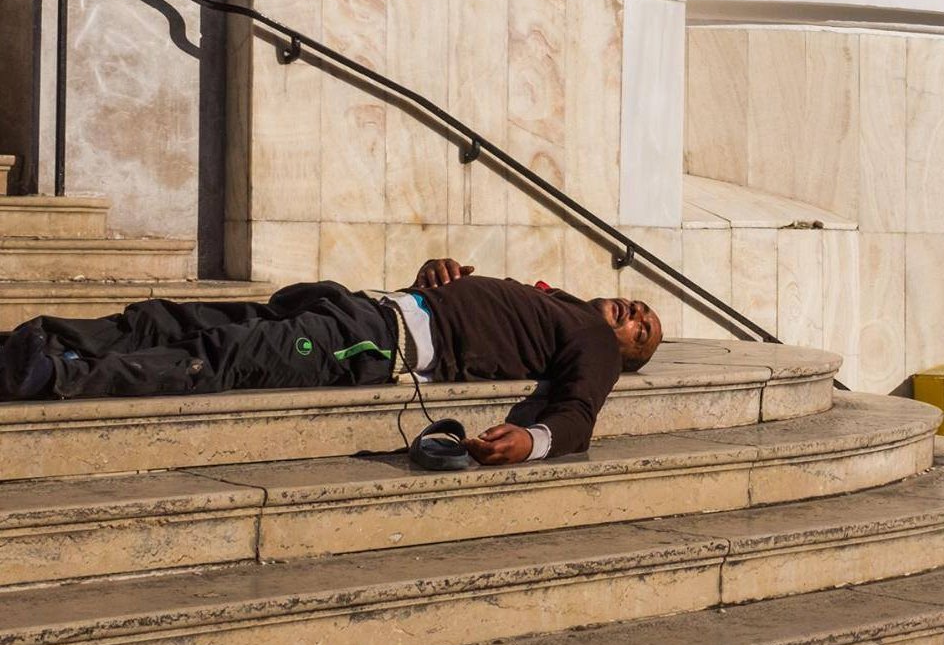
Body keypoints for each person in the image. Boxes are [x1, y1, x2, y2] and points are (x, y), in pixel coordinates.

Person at [0, 258, 663, 465]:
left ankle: (58, 373)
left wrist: (531, 440)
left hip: (374, 343)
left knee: (220, 355)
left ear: (627, 352)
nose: (633, 316)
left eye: (644, 329)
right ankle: (33, 343)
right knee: (178, 317)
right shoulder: (561, 302)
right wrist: (434, 275)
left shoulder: (594, 343)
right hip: (362, 308)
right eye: (638, 308)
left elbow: (578, 411)